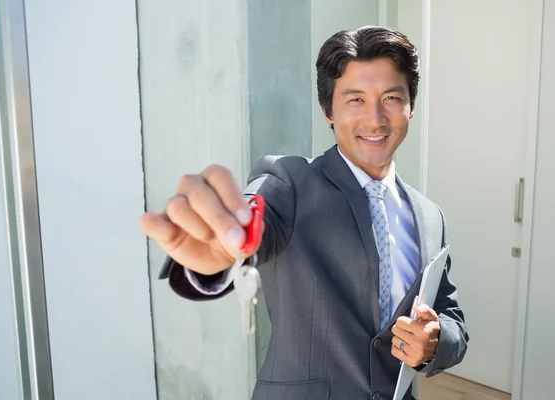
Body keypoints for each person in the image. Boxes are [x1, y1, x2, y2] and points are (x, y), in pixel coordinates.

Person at [140, 26, 469, 400]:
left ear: (410, 106)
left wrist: (436, 341)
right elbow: (254, 217)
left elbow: (451, 318)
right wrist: (223, 250)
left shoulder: (430, 216)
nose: (375, 118)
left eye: (391, 97)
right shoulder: (290, 183)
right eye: (355, 100)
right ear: (328, 110)